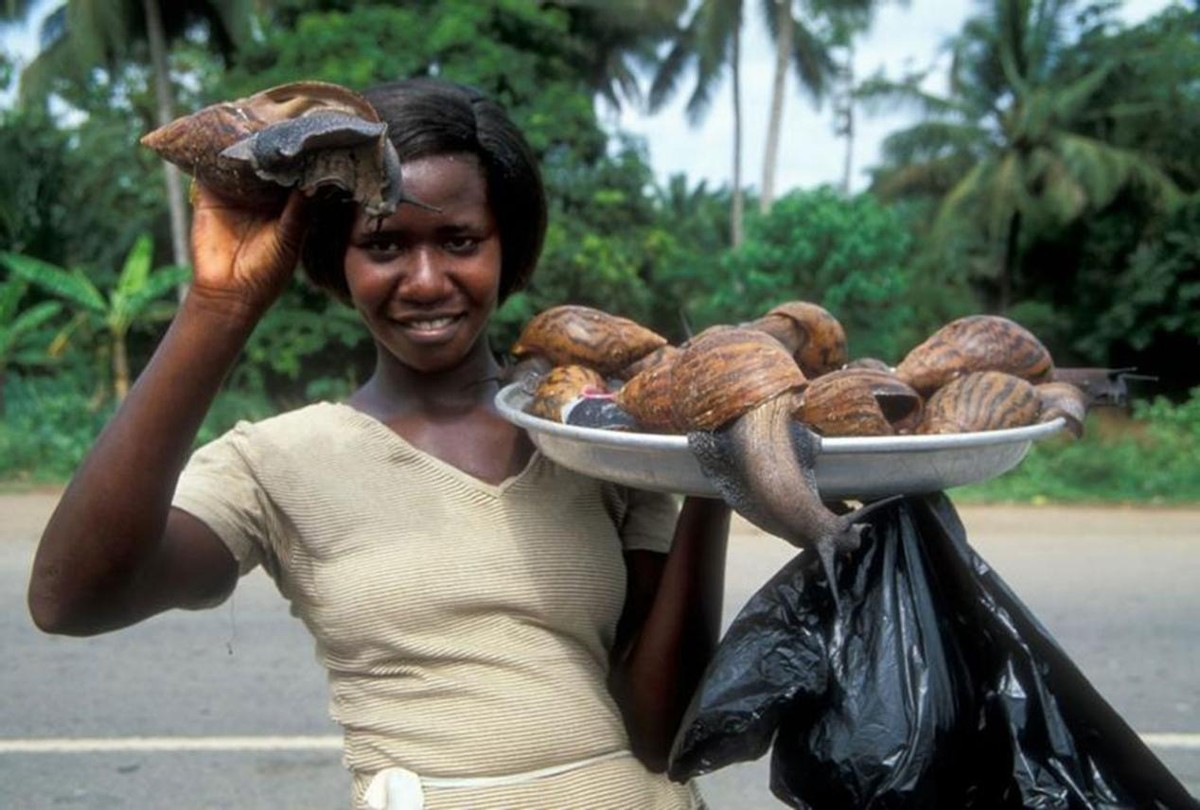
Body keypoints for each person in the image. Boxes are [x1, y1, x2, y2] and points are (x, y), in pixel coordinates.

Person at [27, 77, 731, 809]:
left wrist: (713, 472)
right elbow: (69, 598)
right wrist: (219, 306)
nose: (425, 281)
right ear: (339, 259)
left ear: (506, 249)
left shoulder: (590, 433)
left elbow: (662, 730)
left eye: (460, 241)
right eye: (384, 243)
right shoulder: (276, 463)